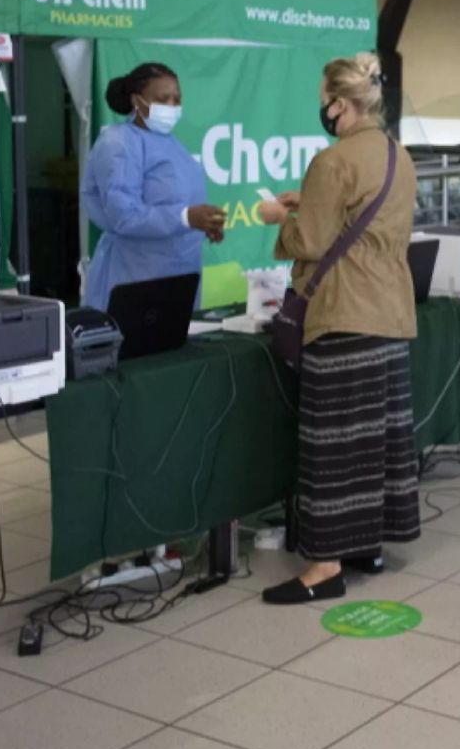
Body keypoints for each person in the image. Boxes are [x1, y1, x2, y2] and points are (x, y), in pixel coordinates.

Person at [257, 52, 420, 605]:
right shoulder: (399, 155)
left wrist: (283, 219)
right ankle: (366, 544)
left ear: (340, 103)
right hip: (389, 315)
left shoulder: (332, 161)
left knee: (330, 444)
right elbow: (365, 221)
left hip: (343, 315)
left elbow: (311, 242)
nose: (321, 108)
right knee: (374, 440)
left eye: (324, 98)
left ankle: (325, 566)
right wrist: (313, 205)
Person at [80, 62, 225, 310]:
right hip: (134, 277)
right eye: (162, 98)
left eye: (177, 99)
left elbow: (177, 204)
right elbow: (123, 216)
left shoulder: (170, 144)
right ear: (137, 100)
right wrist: (185, 217)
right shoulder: (120, 143)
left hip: (180, 275)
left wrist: (202, 225)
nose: (172, 106)